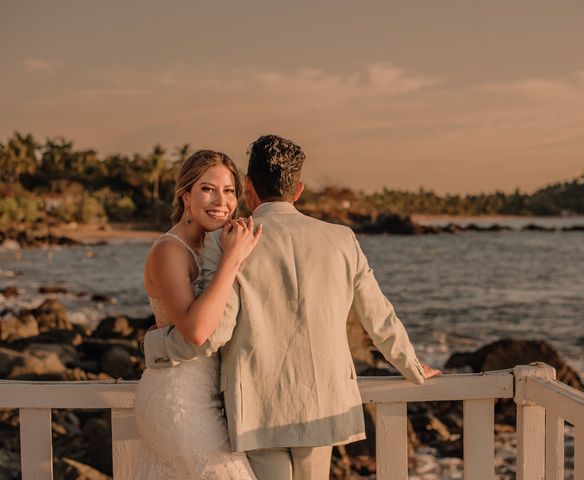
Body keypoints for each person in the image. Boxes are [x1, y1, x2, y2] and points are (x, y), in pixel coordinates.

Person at [143, 134, 441, 480]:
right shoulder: (342, 238)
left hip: (258, 408)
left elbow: (213, 335)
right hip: (324, 404)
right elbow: (379, 316)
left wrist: (156, 346)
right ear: (297, 190)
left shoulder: (228, 241)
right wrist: (411, 365)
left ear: (248, 188)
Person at [133, 150, 262, 479]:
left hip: (204, 397)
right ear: (185, 196)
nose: (221, 200)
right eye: (208, 189)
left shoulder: (213, 247)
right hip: (176, 399)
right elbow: (196, 330)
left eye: (230, 190)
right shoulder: (169, 250)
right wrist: (232, 261)